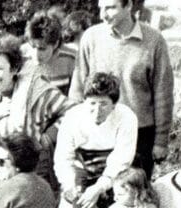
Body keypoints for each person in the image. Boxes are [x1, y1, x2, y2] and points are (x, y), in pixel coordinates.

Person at [69, 0, 174, 179]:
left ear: (128, 6)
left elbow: (163, 93)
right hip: (99, 132)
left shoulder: (154, 40)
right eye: (101, 8)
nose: (103, 15)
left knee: (133, 196)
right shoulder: (91, 37)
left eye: (110, 8)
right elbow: (78, 90)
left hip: (139, 135)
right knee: (98, 195)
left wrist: (160, 141)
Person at [0, 34, 67, 186]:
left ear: (14, 69)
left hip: (34, 172)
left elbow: (71, 112)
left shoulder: (35, 90)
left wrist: (47, 139)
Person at [54, 71, 137, 208]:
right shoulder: (72, 117)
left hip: (115, 166)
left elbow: (122, 157)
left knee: (121, 198)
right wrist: (69, 184)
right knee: (79, 196)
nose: (97, 110)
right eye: (92, 104)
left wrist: (100, 187)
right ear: (84, 101)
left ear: (114, 104)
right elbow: (63, 157)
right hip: (83, 162)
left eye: (103, 104)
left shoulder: (127, 117)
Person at [27, 11, 78, 95]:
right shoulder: (24, 61)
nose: (36, 55)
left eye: (42, 49)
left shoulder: (71, 59)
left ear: (55, 44)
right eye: (33, 47)